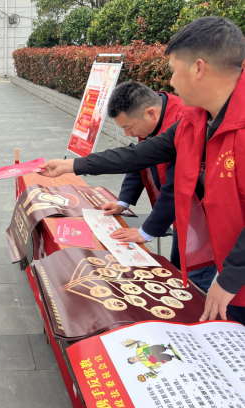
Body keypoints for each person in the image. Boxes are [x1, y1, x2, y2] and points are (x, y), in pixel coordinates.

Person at [39, 17, 245, 324]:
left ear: (198, 68)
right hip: (215, 251)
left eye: (173, 70)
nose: (171, 82)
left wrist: (228, 280)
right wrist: (73, 165)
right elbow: (139, 156)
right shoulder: (195, 120)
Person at [101, 82, 217, 293]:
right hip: (179, 214)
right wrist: (123, 202)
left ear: (150, 113)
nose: (128, 134)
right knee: (177, 271)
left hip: (203, 218)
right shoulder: (151, 118)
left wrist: (147, 231)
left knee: (193, 282)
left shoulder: (184, 122)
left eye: (128, 127)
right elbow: (139, 160)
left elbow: (176, 186)